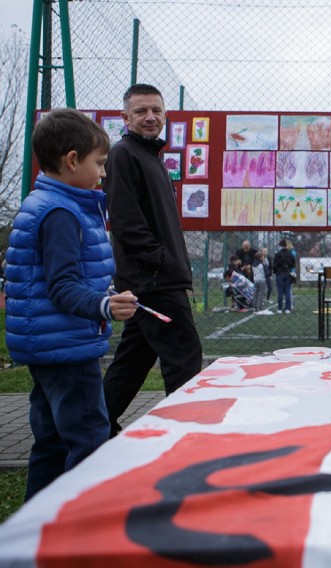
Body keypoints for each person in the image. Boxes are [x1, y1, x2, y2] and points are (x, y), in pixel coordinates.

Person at [4, 109, 138, 499]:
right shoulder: (61, 213)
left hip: (46, 344)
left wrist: (102, 296)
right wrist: (104, 305)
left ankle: (38, 523)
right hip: (67, 348)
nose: (103, 173)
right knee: (90, 440)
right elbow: (63, 286)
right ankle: (83, 525)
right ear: (72, 160)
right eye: (99, 163)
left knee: (50, 442)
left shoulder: (46, 202)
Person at [102, 84, 203, 437]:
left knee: (133, 361)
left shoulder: (152, 158)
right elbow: (127, 224)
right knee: (184, 358)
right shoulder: (123, 155)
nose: (150, 117)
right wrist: (161, 262)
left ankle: (95, 426)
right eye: (141, 111)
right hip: (154, 280)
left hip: (155, 278)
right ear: (125, 117)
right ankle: (184, 434)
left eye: (156, 111)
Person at [272, 239, 296, 313]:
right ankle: (288, 308)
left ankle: (279, 308)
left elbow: (275, 265)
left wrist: (276, 271)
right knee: (288, 291)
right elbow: (293, 264)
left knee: (280, 292)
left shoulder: (278, 254)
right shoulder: (290, 253)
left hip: (279, 273)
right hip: (288, 273)